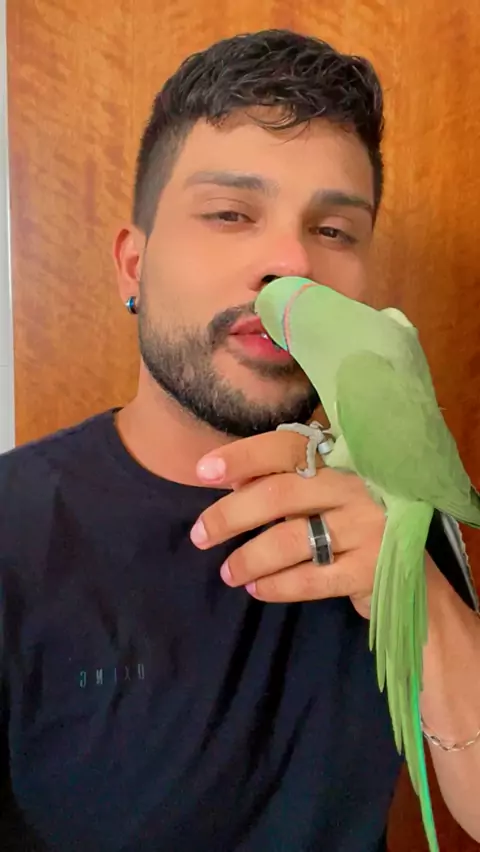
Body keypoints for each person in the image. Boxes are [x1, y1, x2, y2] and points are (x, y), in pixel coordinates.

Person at [1, 29, 479, 852]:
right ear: (133, 267)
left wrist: (424, 605)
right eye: (230, 214)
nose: (290, 263)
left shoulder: (398, 496)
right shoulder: (13, 529)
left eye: (336, 231)